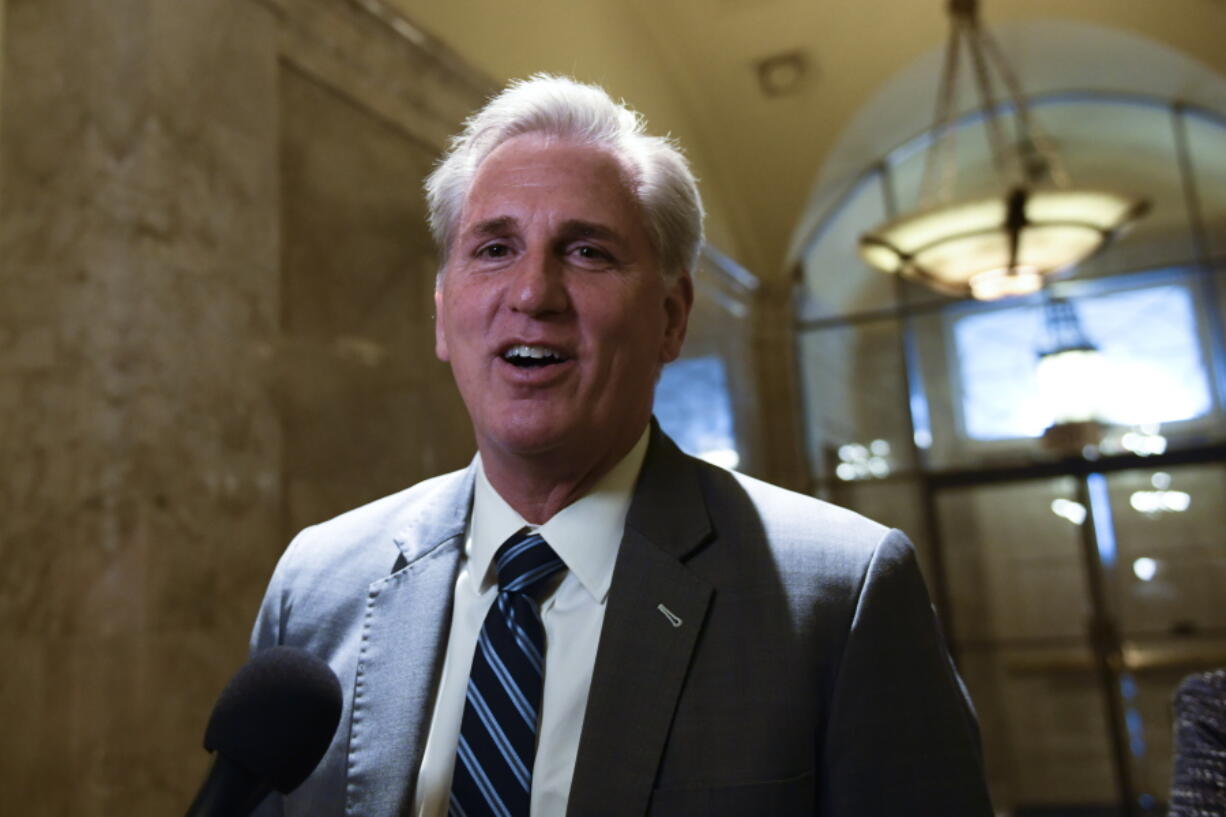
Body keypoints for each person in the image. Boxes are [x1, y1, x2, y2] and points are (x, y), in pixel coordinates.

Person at [249, 74, 994, 817]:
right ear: (444, 315)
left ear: (671, 318)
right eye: (495, 247)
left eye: (587, 253)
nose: (533, 293)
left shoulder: (843, 594)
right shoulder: (316, 586)